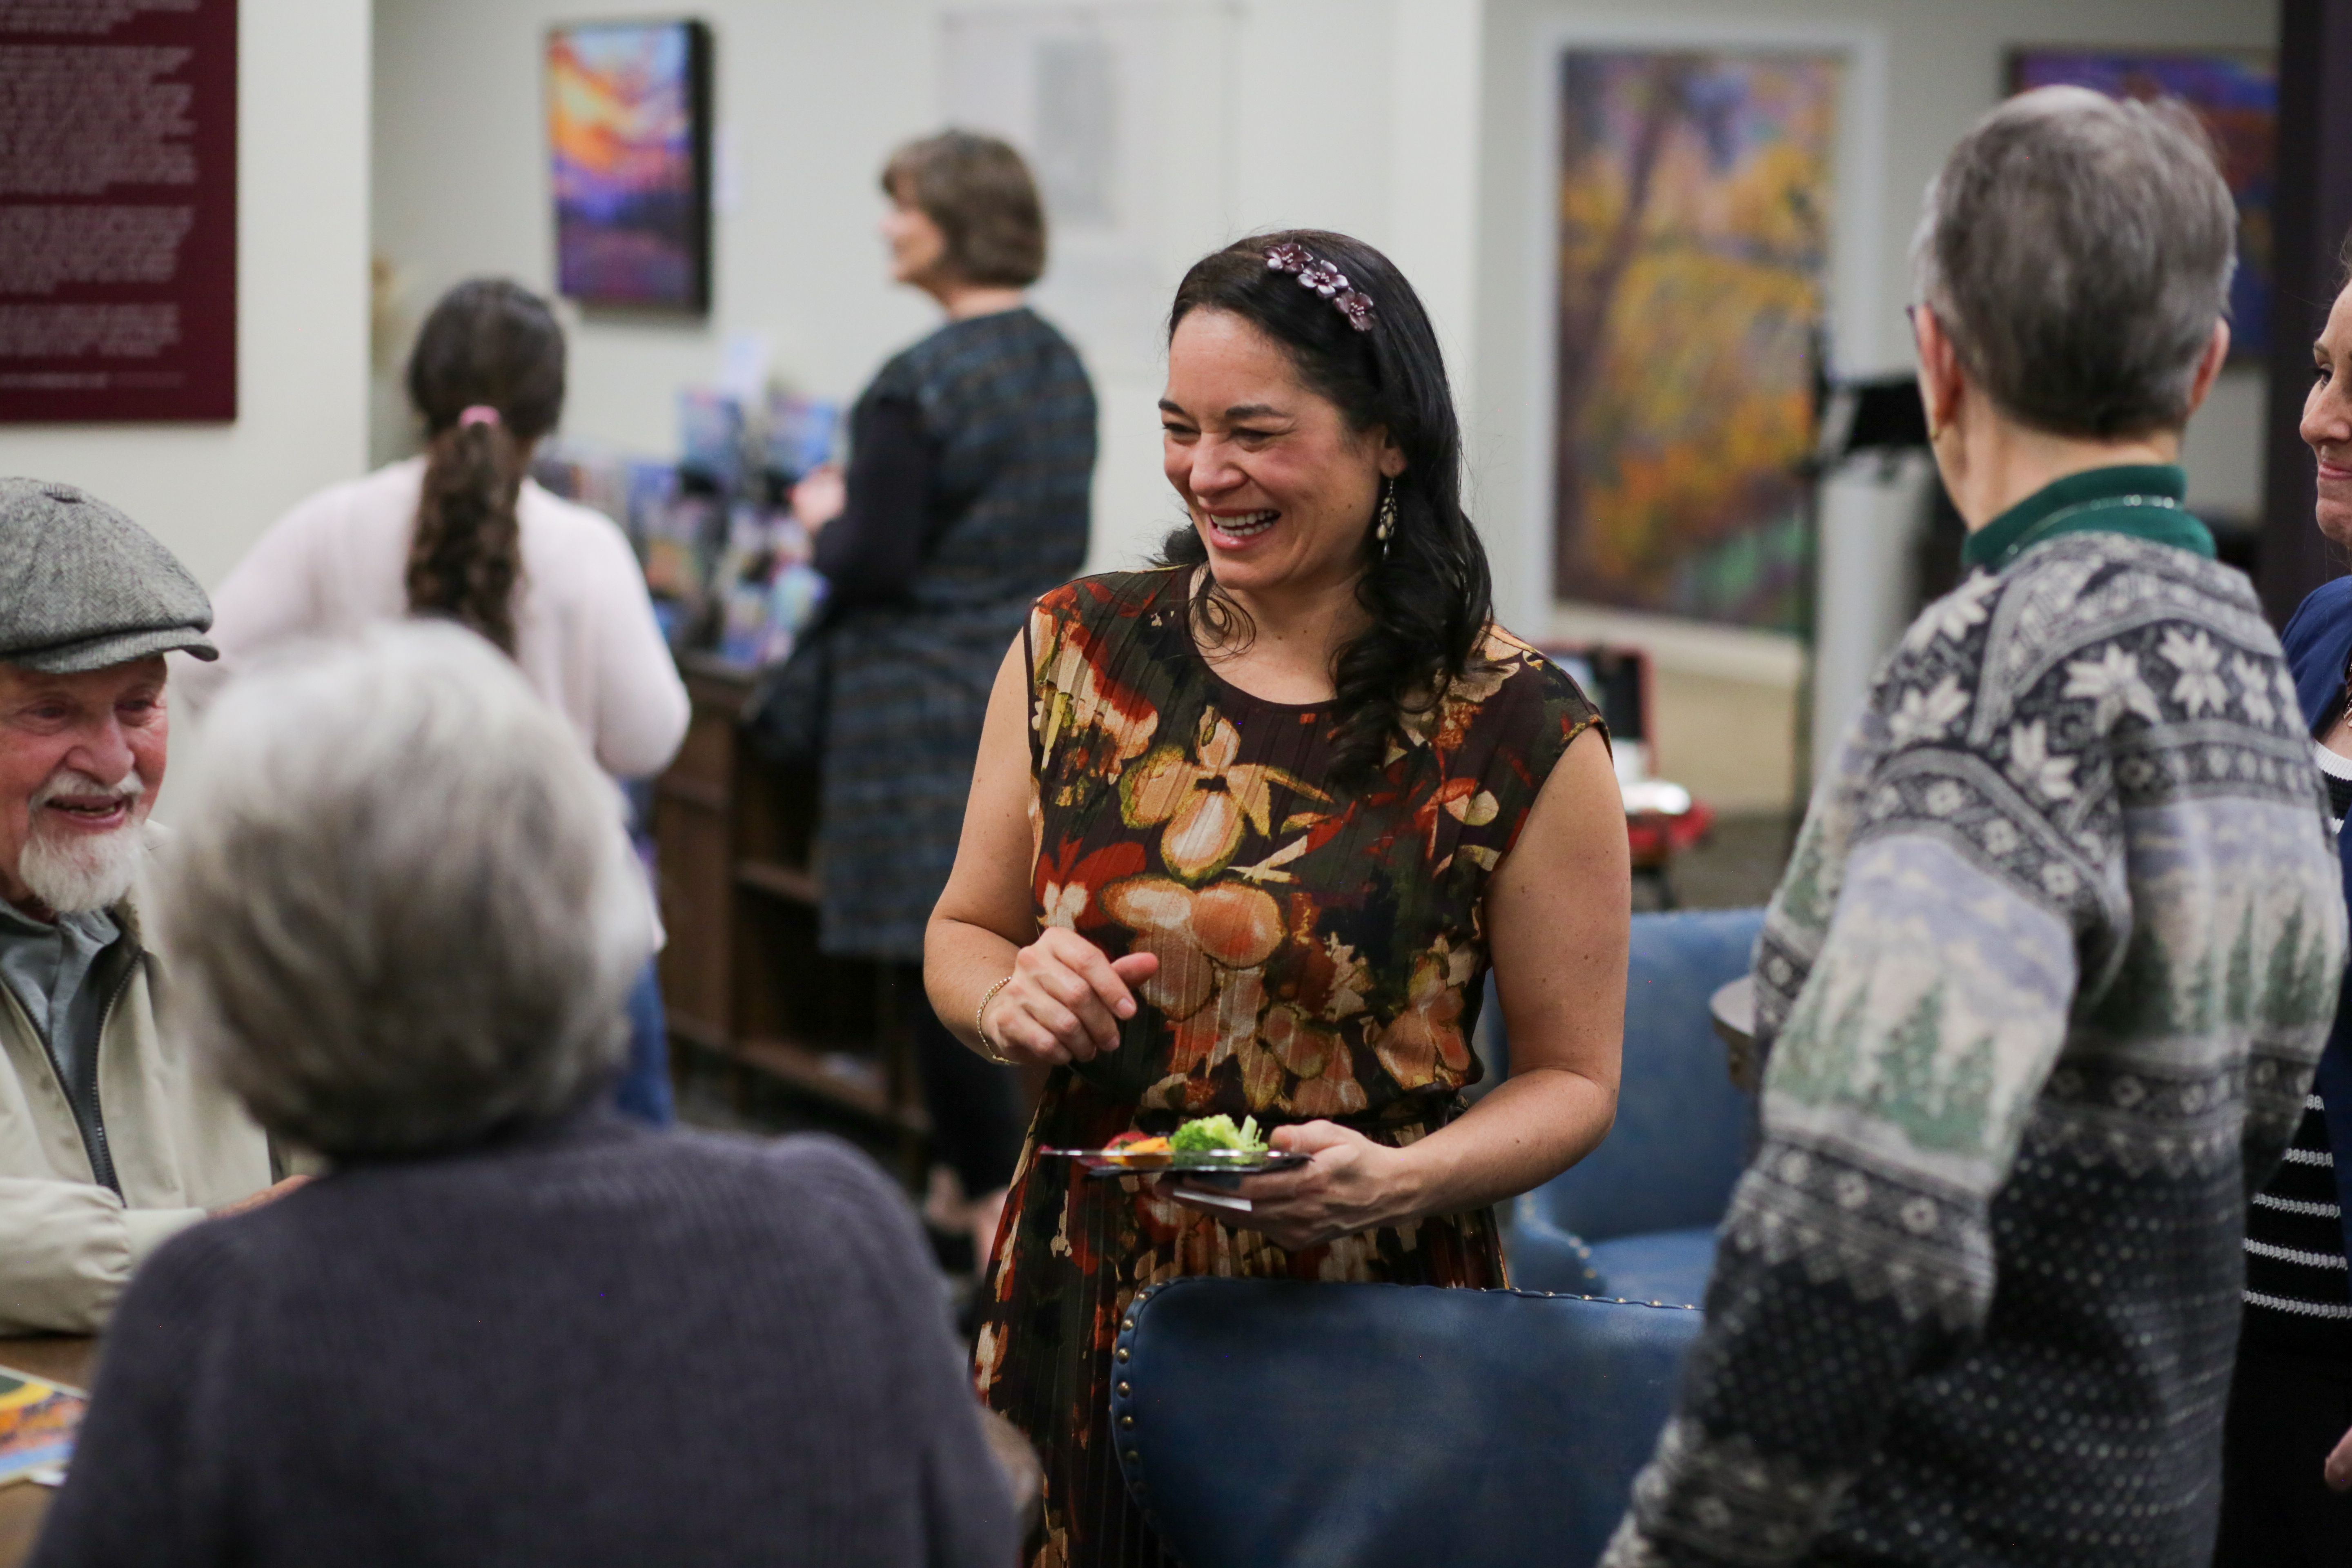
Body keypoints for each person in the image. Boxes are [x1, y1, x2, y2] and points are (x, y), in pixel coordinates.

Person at [1604, 89, 2345, 1568]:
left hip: (1939, 1520)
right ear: (2204, 371)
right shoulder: (2250, 665)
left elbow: (1858, 1229)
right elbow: (2254, 1117)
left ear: (1937, 356)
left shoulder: (1997, 671)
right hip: (2152, 1503)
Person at [928, 229, 1630, 1566]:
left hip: (1367, 1322)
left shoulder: (1518, 730)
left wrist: (1400, 1181)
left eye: (1255, 432)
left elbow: (1575, 1081)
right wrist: (1007, 998)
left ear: (1390, 442)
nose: (1206, 474)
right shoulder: (1075, 651)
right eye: (1180, 429)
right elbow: (963, 931)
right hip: (1086, 1295)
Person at [29, 623, 1016, 1568]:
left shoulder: (219, 1315)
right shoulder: (835, 1226)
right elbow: (973, 1538)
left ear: (247, 984)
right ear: (598, 903)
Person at [182, 278, 689, 1125]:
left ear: (419, 395)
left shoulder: (336, 524)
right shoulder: (585, 546)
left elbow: (204, 664)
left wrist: (319, 771)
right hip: (577, 924)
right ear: (548, 414)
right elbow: (649, 739)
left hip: (385, 917)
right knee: (627, 1198)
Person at [790, 130, 1096, 1257]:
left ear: (957, 222)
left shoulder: (913, 385)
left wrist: (823, 518)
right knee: (1005, 945)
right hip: (1029, 685)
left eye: (903, 205)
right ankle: (960, 1198)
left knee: (946, 961)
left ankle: (979, 1212)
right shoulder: (1062, 362)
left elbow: (873, 563)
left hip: (912, 700)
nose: (887, 224)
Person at [0, 479, 296, 1334]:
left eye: (139, 705)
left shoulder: (235, 907)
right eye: (52, 710)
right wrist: (215, 1249)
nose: (110, 759)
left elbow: (374, 1173)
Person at [2218, 232, 2352, 1564]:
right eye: (2323, 372)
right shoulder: (2322, 629)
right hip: (2228, 1332)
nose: (2317, 416)